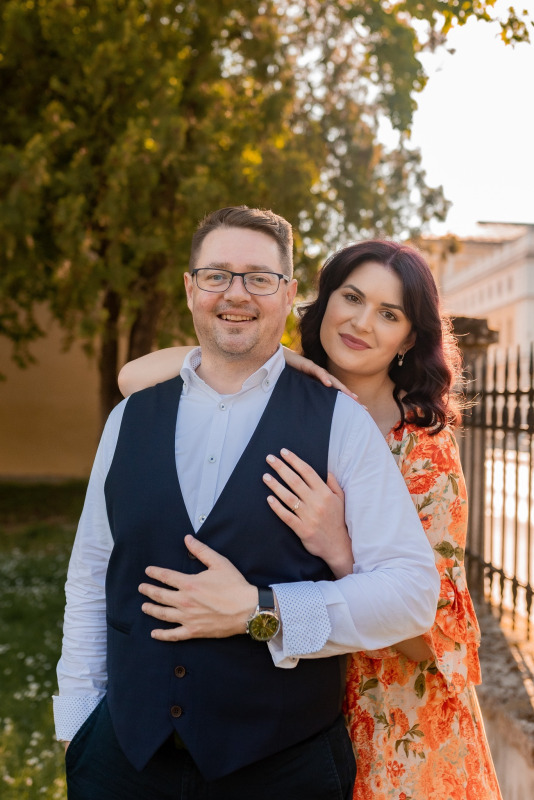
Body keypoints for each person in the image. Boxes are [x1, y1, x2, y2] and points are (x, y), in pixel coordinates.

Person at [54, 206, 440, 800]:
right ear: (191, 288)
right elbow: (90, 575)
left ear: (288, 294)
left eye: (259, 278)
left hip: (283, 769)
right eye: (217, 275)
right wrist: (77, 725)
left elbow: (411, 594)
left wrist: (262, 611)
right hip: (122, 762)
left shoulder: (341, 422)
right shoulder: (129, 417)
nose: (236, 294)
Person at [119, 238, 502, 799]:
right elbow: (133, 378)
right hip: (287, 717)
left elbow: (431, 640)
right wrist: (285, 360)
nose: (362, 322)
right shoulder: (279, 399)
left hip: (397, 726)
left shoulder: (422, 452)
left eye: (389, 314)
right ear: (323, 302)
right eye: (352, 297)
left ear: (408, 339)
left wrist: (339, 549)